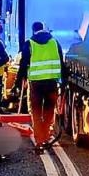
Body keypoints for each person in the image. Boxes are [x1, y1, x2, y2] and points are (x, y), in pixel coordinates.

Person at [15, 20, 64, 153]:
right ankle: (46, 136)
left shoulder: (29, 44)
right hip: (52, 83)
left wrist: (18, 83)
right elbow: (61, 61)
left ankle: (39, 141)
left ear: (33, 30)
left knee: (36, 112)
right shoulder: (54, 42)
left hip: (36, 84)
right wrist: (64, 81)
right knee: (49, 111)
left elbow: (23, 64)